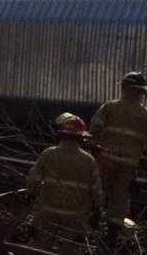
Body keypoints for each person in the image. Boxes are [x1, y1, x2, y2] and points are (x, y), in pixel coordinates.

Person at [27, 113, 103, 254]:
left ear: (62, 135)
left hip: (47, 210)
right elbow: (96, 189)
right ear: (81, 137)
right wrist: (98, 209)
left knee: (41, 248)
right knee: (71, 249)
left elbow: (33, 178)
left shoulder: (48, 154)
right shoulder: (88, 160)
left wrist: (30, 195)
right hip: (75, 216)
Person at [90, 71, 147, 244]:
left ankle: (91, 224)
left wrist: (94, 149)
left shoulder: (110, 107)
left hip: (106, 158)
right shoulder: (145, 114)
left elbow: (95, 128)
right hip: (128, 164)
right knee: (120, 197)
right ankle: (112, 235)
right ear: (140, 93)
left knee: (99, 191)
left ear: (124, 88)